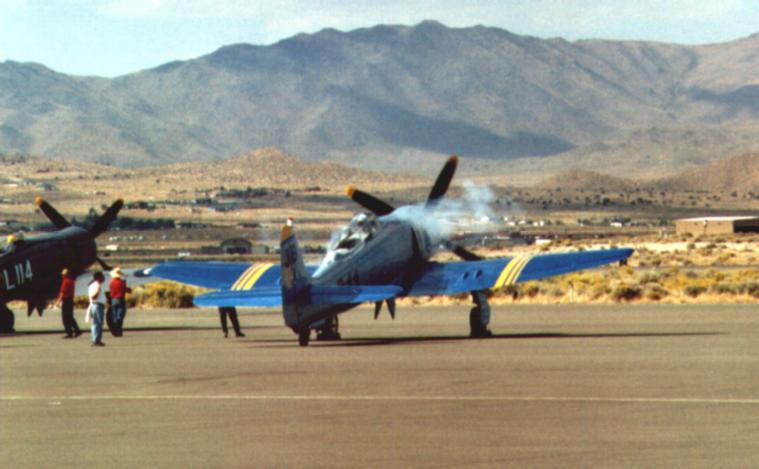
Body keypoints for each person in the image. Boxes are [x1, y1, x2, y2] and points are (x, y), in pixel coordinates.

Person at [55, 268, 82, 339]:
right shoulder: (71, 281)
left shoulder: (65, 281)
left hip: (66, 300)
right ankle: (77, 330)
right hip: (70, 300)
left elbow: (63, 293)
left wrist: (58, 301)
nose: (62, 276)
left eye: (63, 274)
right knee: (70, 317)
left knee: (65, 318)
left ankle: (69, 332)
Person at [108, 267, 131, 337]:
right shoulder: (122, 282)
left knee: (114, 315)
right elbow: (125, 290)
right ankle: (119, 330)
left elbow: (111, 292)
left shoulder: (111, 283)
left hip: (114, 300)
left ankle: (115, 330)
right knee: (120, 316)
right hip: (121, 299)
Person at [87, 271, 106, 347]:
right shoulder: (97, 285)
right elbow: (93, 296)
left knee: (95, 323)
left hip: (95, 305)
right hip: (97, 305)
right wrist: (98, 291)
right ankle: (96, 340)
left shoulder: (92, 285)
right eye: (102, 277)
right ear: (98, 277)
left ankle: (95, 339)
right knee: (98, 323)